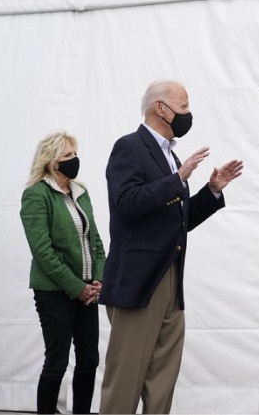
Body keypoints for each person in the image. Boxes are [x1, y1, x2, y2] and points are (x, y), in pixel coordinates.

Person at [98, 79, 243, 414]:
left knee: (162, 382)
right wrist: (177, 179)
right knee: (125, 382)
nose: (188, 114)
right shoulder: (129, 147)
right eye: (183, 107)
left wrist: (212, 190)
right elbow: (126, 203)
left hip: (170, 282)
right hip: (138, 285)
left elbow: (179, 221)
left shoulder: (170, 157)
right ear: (160, 108)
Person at [19, 130, 106, 414]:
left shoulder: (80, 192)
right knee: (57, 359)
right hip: (53, 291)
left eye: (75, 153)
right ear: (51, 161)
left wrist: (97, 279)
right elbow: (42, 252)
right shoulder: (36, 195)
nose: (74, 159)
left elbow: (95, 241)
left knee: (89, 359)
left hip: (86, 290)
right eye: (68, 155)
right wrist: (76, 287)